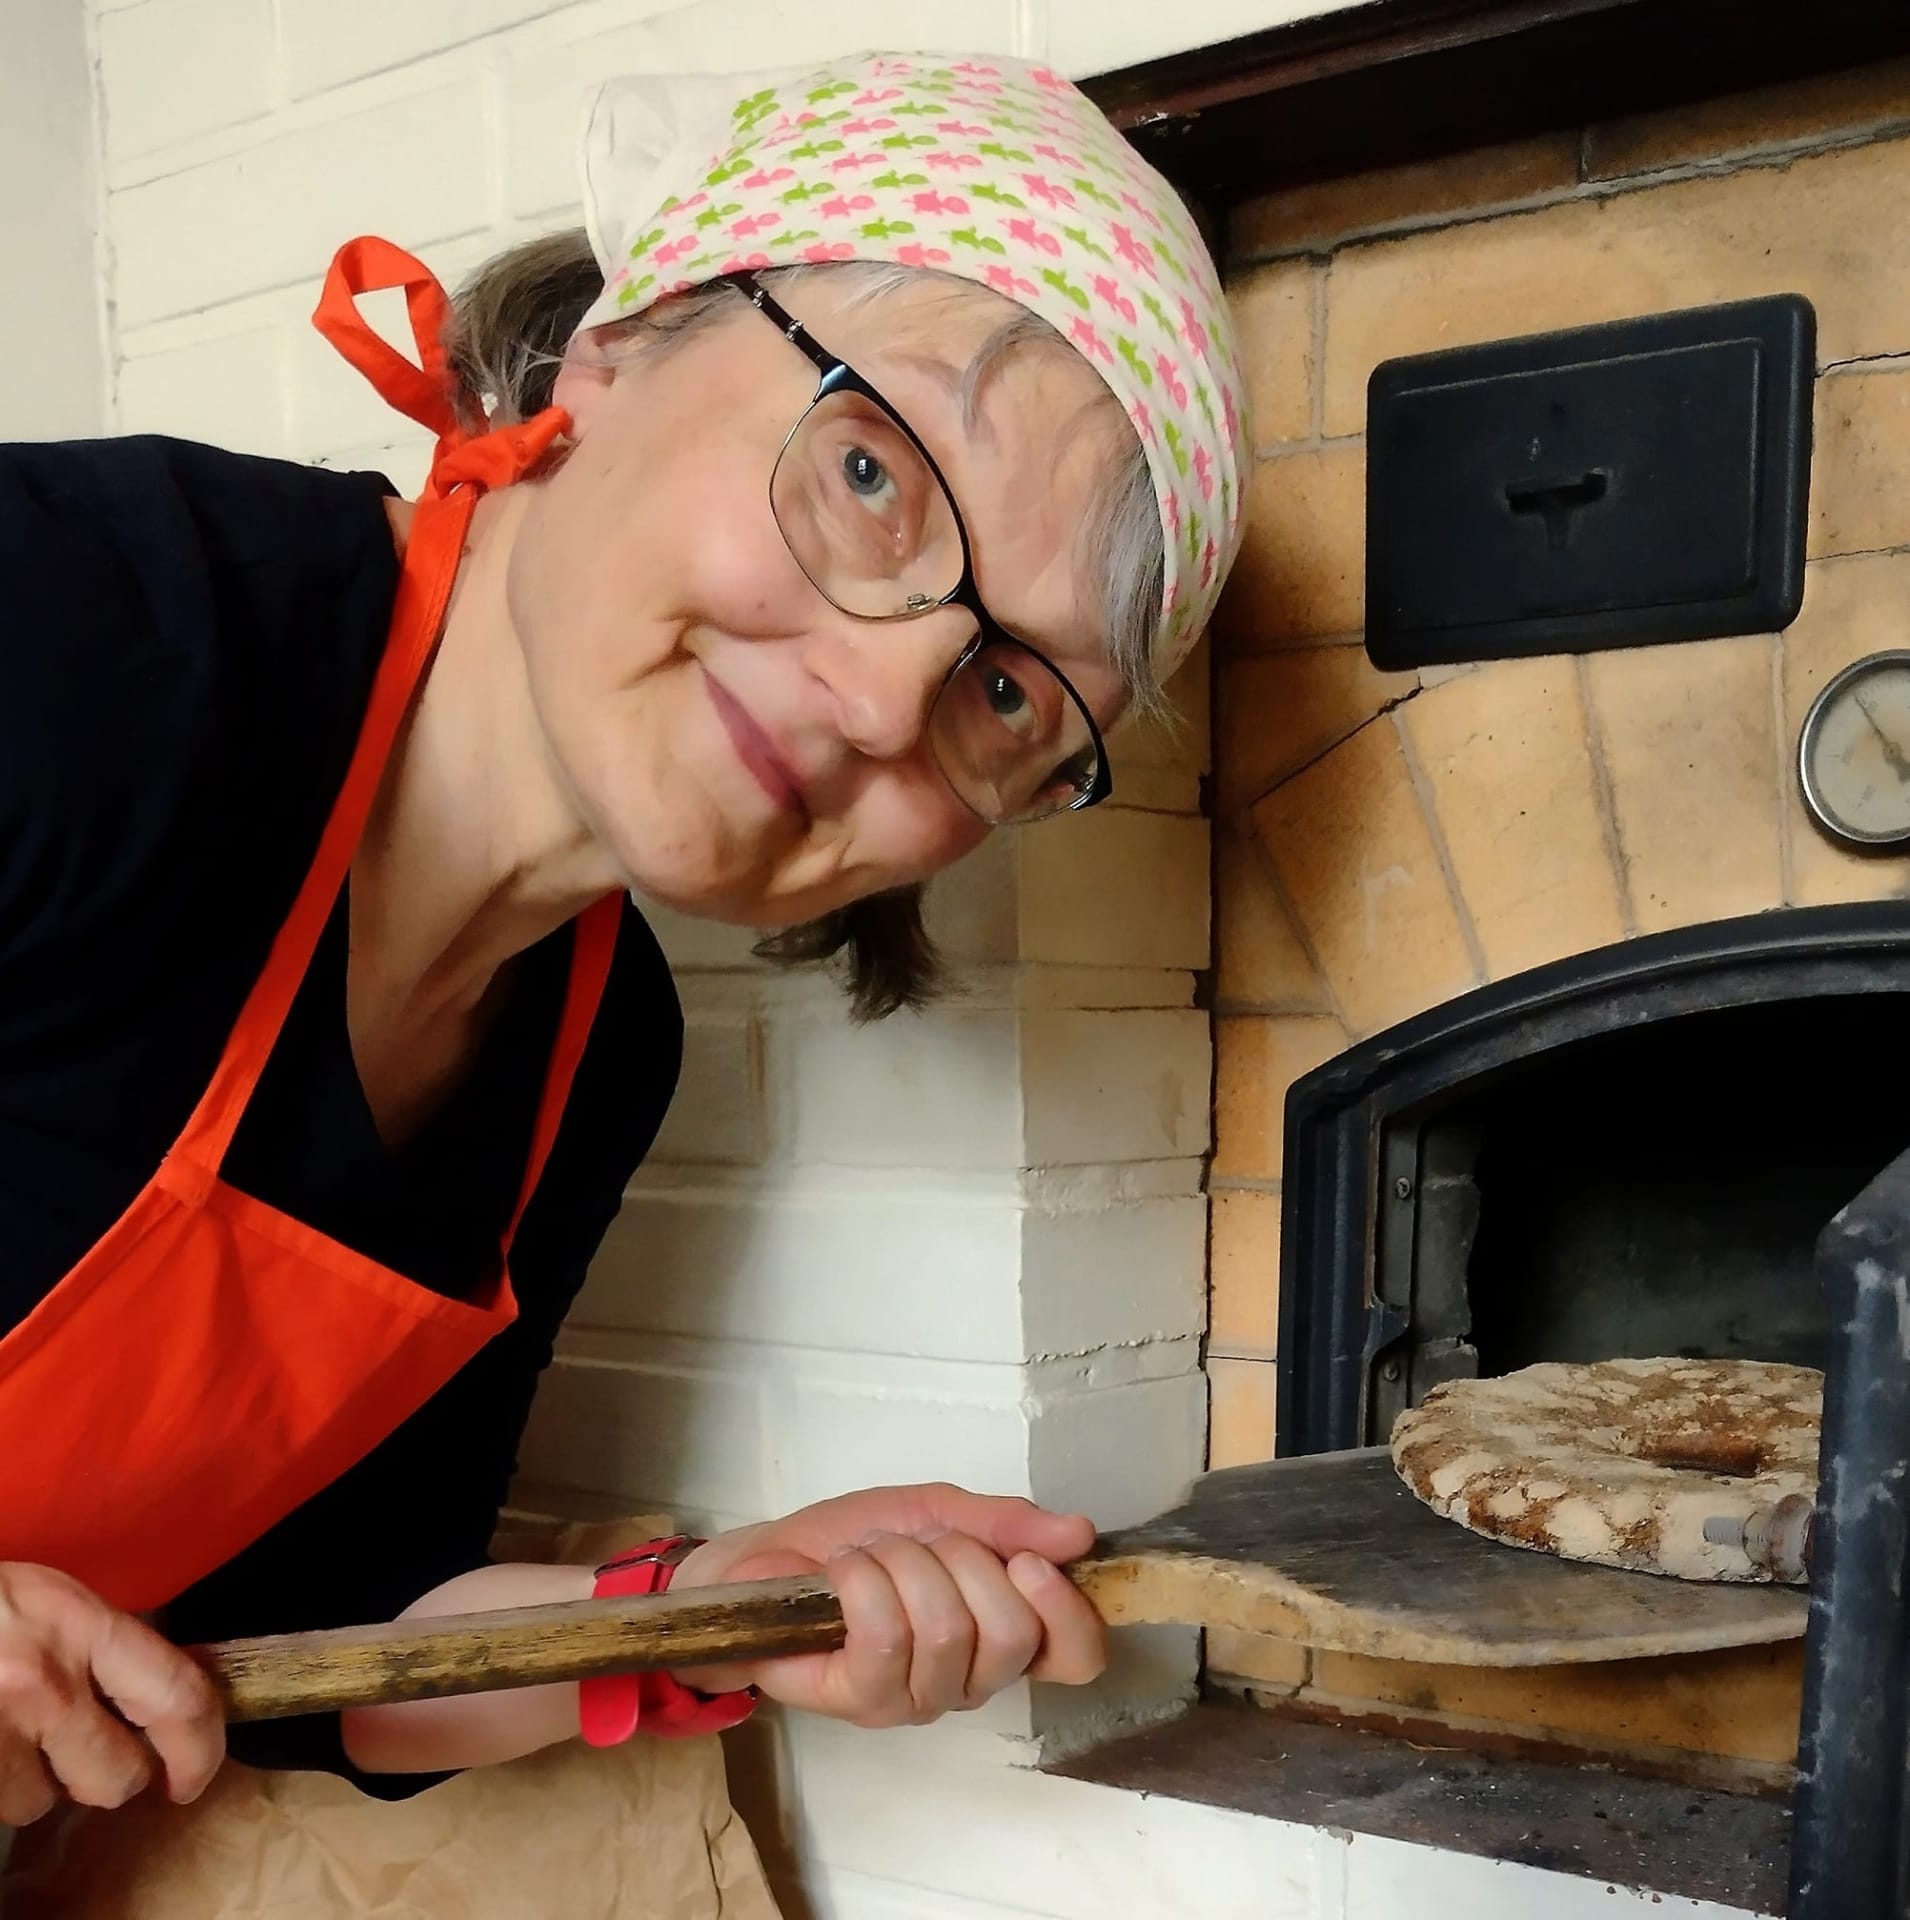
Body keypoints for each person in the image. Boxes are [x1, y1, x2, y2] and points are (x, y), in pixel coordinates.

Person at [0, 50, 1247, 1824]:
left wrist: (711, 1610)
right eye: (871, 472)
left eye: (1003, 690)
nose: (887, 699)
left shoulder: (593, 1050)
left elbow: (323, 1659)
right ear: (619, 342)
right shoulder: (75, 634)